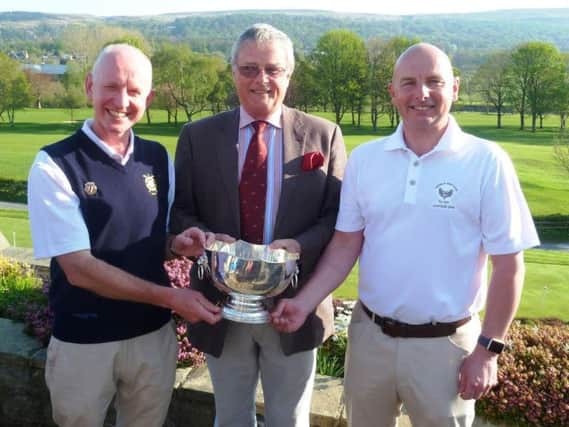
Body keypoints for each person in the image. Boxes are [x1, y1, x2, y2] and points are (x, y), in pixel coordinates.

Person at [271, 43, 540, 427]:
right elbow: (346, 244)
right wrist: (304, 302)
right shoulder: (367, 159)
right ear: (392, 91)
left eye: (434, 82)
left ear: (456, 88)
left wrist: (488, 350)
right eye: (409, 83)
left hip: (447, 349)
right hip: (370, 341)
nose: (422, 94)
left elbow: (510, 266)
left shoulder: (486, 161)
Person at [27, 43, 222, 427]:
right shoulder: (54, 164)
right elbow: (79, 268)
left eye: (134, 91)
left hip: (152, 337)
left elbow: (152, 241)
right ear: (89, 87)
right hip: (84, 339)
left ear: (147, 98)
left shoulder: (157, 157)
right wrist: (171, 297)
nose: (121, 100)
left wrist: (176, 245)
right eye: (111, 87)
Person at [169, 23, 347, 427]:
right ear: (232, 71)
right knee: (230, 418)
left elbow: (337, 219)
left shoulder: (324, 135)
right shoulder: (197, 136)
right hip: (220, 306)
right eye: (249, 68)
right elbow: (180, 212)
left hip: (294, 307)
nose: (261, 80)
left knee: (290, 420)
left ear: (288, 74)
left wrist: (299, 245)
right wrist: (203, 237)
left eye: (272, 69)